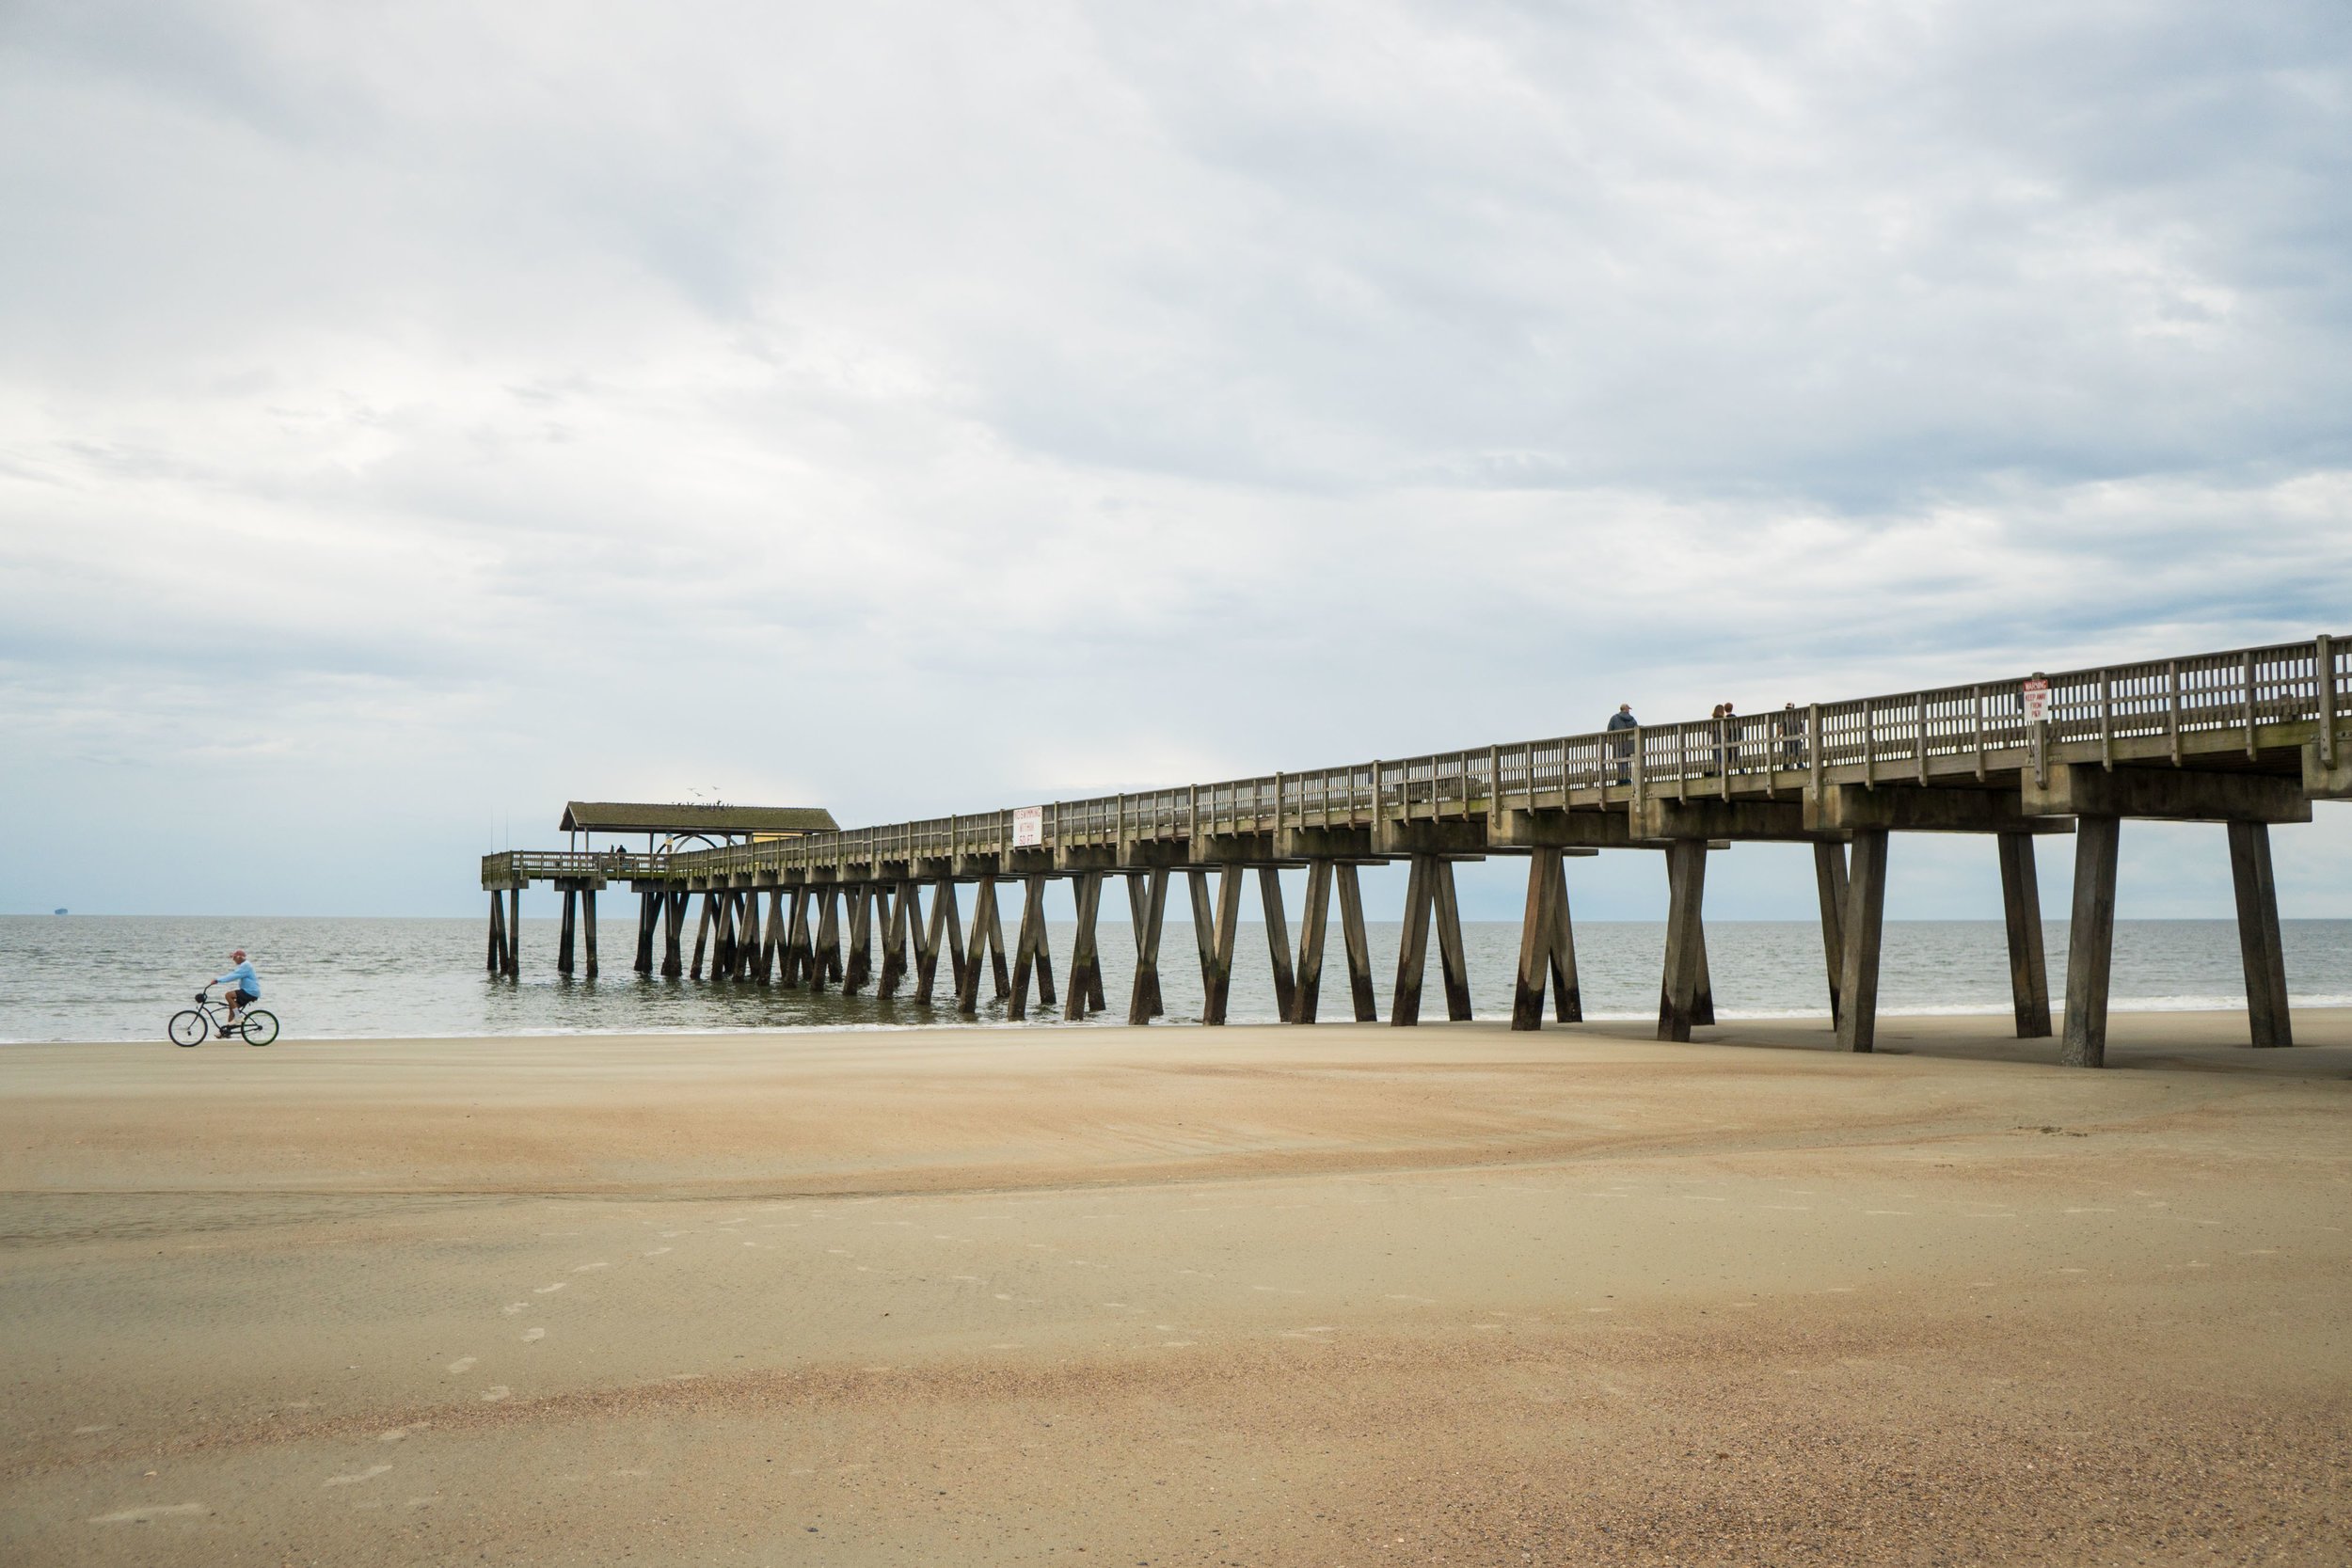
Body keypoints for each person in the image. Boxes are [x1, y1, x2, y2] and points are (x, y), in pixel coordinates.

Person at [214, 950, 261, 1029]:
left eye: (234, 957)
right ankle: (226, 1032)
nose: (233, 959)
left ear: (240, 958)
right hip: (248, 991)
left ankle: (238, 1017)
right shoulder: (244, 965)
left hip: (251, 991)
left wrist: (218, 980)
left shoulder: (246, 965)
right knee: (232, 1008)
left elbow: (234, 975)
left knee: (228, 995)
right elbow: (234, 974)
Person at [1607, 703, 1639, 783]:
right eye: (1628, 709)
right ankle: (1627, 779)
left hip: (1618, 744)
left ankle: (1621, 779)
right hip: (1629, 744)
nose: (1629, 711)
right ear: (1626, 709)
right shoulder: (1632, 719)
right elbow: (1636, 730)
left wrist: (1612, 743)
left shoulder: (1614, 718)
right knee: (1627, 761)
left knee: (1619, 762)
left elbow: (1609, 731)